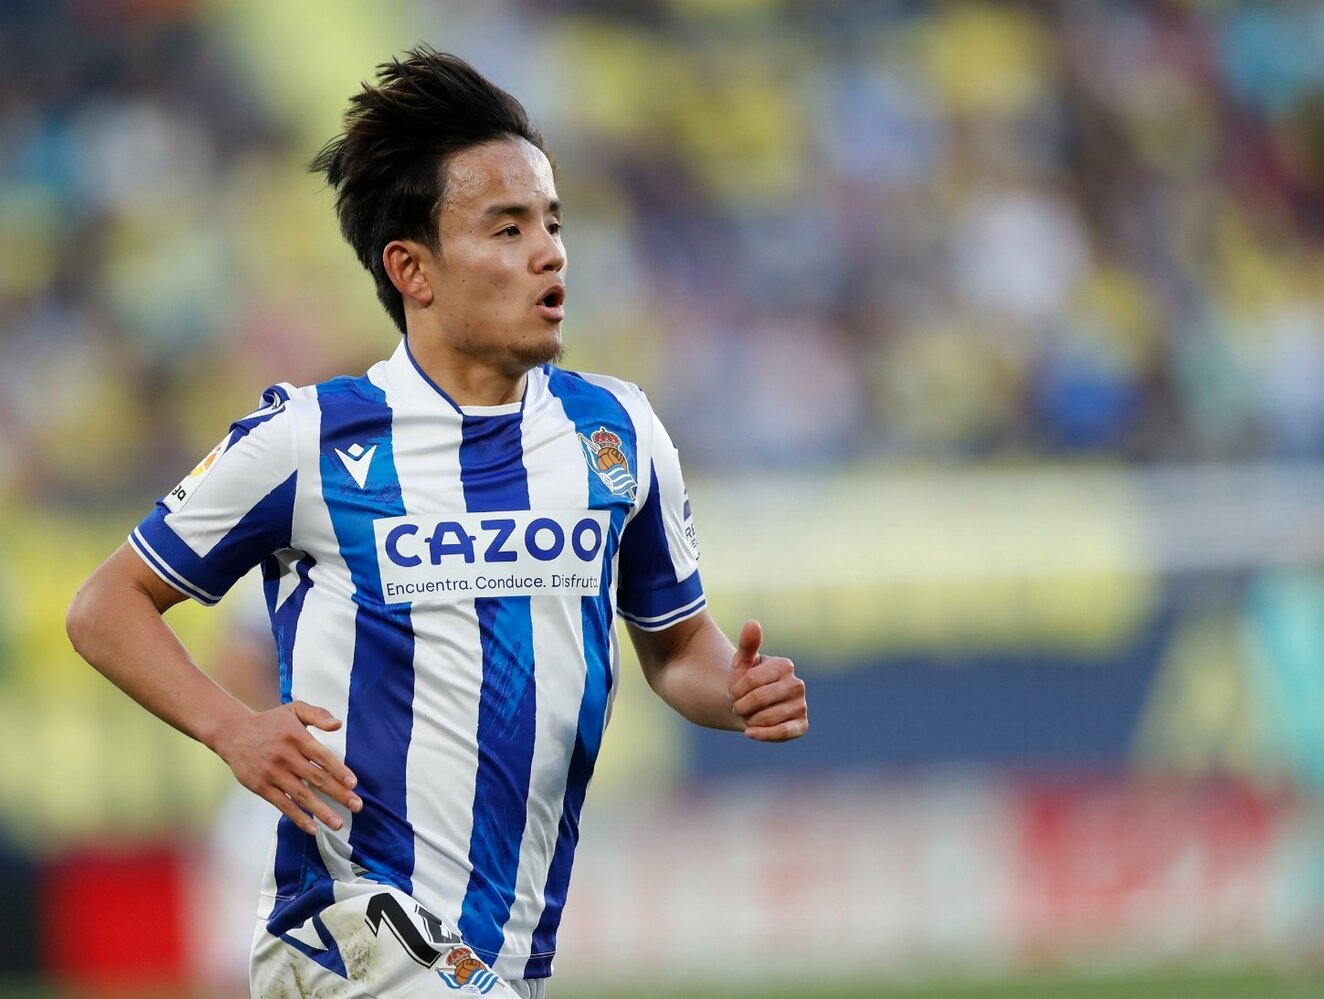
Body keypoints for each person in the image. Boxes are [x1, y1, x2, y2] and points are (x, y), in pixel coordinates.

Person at [66, 47, 808, 999]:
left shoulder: (616, 432)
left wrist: (734, 692)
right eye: (507, 228)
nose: (550, 252)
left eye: (552, 222)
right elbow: (106, 605)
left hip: (502, 949)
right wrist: (231, 729)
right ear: (412, 268)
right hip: (348, 927)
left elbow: (677, 648)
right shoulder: (311, 439)